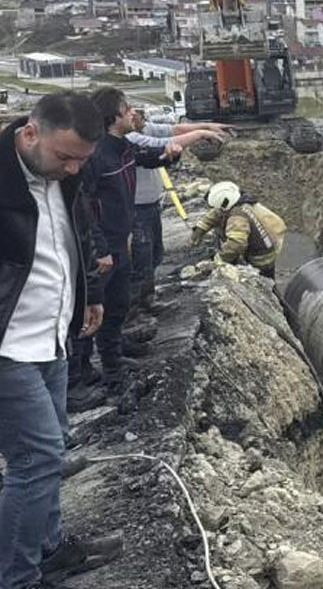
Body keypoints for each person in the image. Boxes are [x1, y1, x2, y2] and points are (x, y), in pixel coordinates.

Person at [1, 92, 124, 588]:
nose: (73, 169)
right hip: (7, 347)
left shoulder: (63, 175)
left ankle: (49, 548)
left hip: (51, 337)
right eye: (66, 157)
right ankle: (16, 576)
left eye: (82, 161)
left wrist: (90, 294)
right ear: (31, 133)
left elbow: (74, 237)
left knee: (51, 450)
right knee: (36, 459)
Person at [71, 88, 178, 396]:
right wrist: (100, 249)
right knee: (91, 310)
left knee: (117, 305)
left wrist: (169, 155)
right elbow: (83, 207)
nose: (133, 112)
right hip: (102, 248)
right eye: (126, 108)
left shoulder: (123, 147)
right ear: (113, 116)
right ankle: (79, 377)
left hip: (121, 240)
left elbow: (148, 159)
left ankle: (113, 362)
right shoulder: (96, 156)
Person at [126, 114, 230, 307]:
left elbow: (174, 130)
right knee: (141, 258)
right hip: (136, 209)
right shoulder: (130, 139)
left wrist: (206, 125)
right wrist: (200, 133)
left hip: (150, 205)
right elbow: (167, 142)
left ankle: (148, 299)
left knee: (154, 254)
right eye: (129, 112)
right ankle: (134, 310)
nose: (136, 115)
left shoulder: (143, 129)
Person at [190, 181, 287, 278]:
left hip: (263, 253)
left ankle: (269, 284)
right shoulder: (239, 200)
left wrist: (219, 259)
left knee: (264, 275)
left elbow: (237, 243)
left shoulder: (237, 217)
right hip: (270, 238)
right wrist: (199, 230)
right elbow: (216, 213)